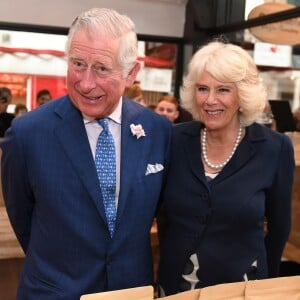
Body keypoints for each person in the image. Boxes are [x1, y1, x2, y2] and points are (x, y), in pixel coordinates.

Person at [1, 7, 172, 300]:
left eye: (102, 68)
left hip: (130, 291)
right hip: (54, 292)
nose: (86, 82)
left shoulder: (158, 131)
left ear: (131, 73)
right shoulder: (28, 134)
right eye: (78, 64)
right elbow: (22, 217)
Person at [157, 40, 295, 296]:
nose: (210, 100)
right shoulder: (173, 140)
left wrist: (268, 287)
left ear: (242, 95)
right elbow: (163, 218)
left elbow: (279, 228)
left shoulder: (274, 148)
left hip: (241, 287)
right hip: (177, 285)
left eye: (222, 90)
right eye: (202, 88)